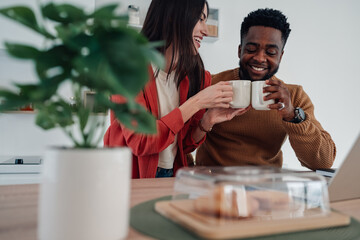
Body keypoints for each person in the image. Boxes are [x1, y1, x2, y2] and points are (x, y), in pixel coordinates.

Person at [104, 0, 247, 178]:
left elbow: (184, 146)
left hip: (173, 174)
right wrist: (197, 102)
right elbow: (141, 142)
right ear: (172, 17)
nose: (206, 31)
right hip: (128, 177)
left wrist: (207, 121)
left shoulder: (198, 76)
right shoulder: (127, 70)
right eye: (200, 19)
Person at [196, 8, 336, 170]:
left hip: (266, 187)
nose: (260, 58)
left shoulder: (294, 96)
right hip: (212, 185)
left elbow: (323, 162)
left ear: (280, 56)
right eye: (251, 49)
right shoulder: (211, 83)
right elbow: (181, 144)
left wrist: (292, 115)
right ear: (239, 50)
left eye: (270, 52)